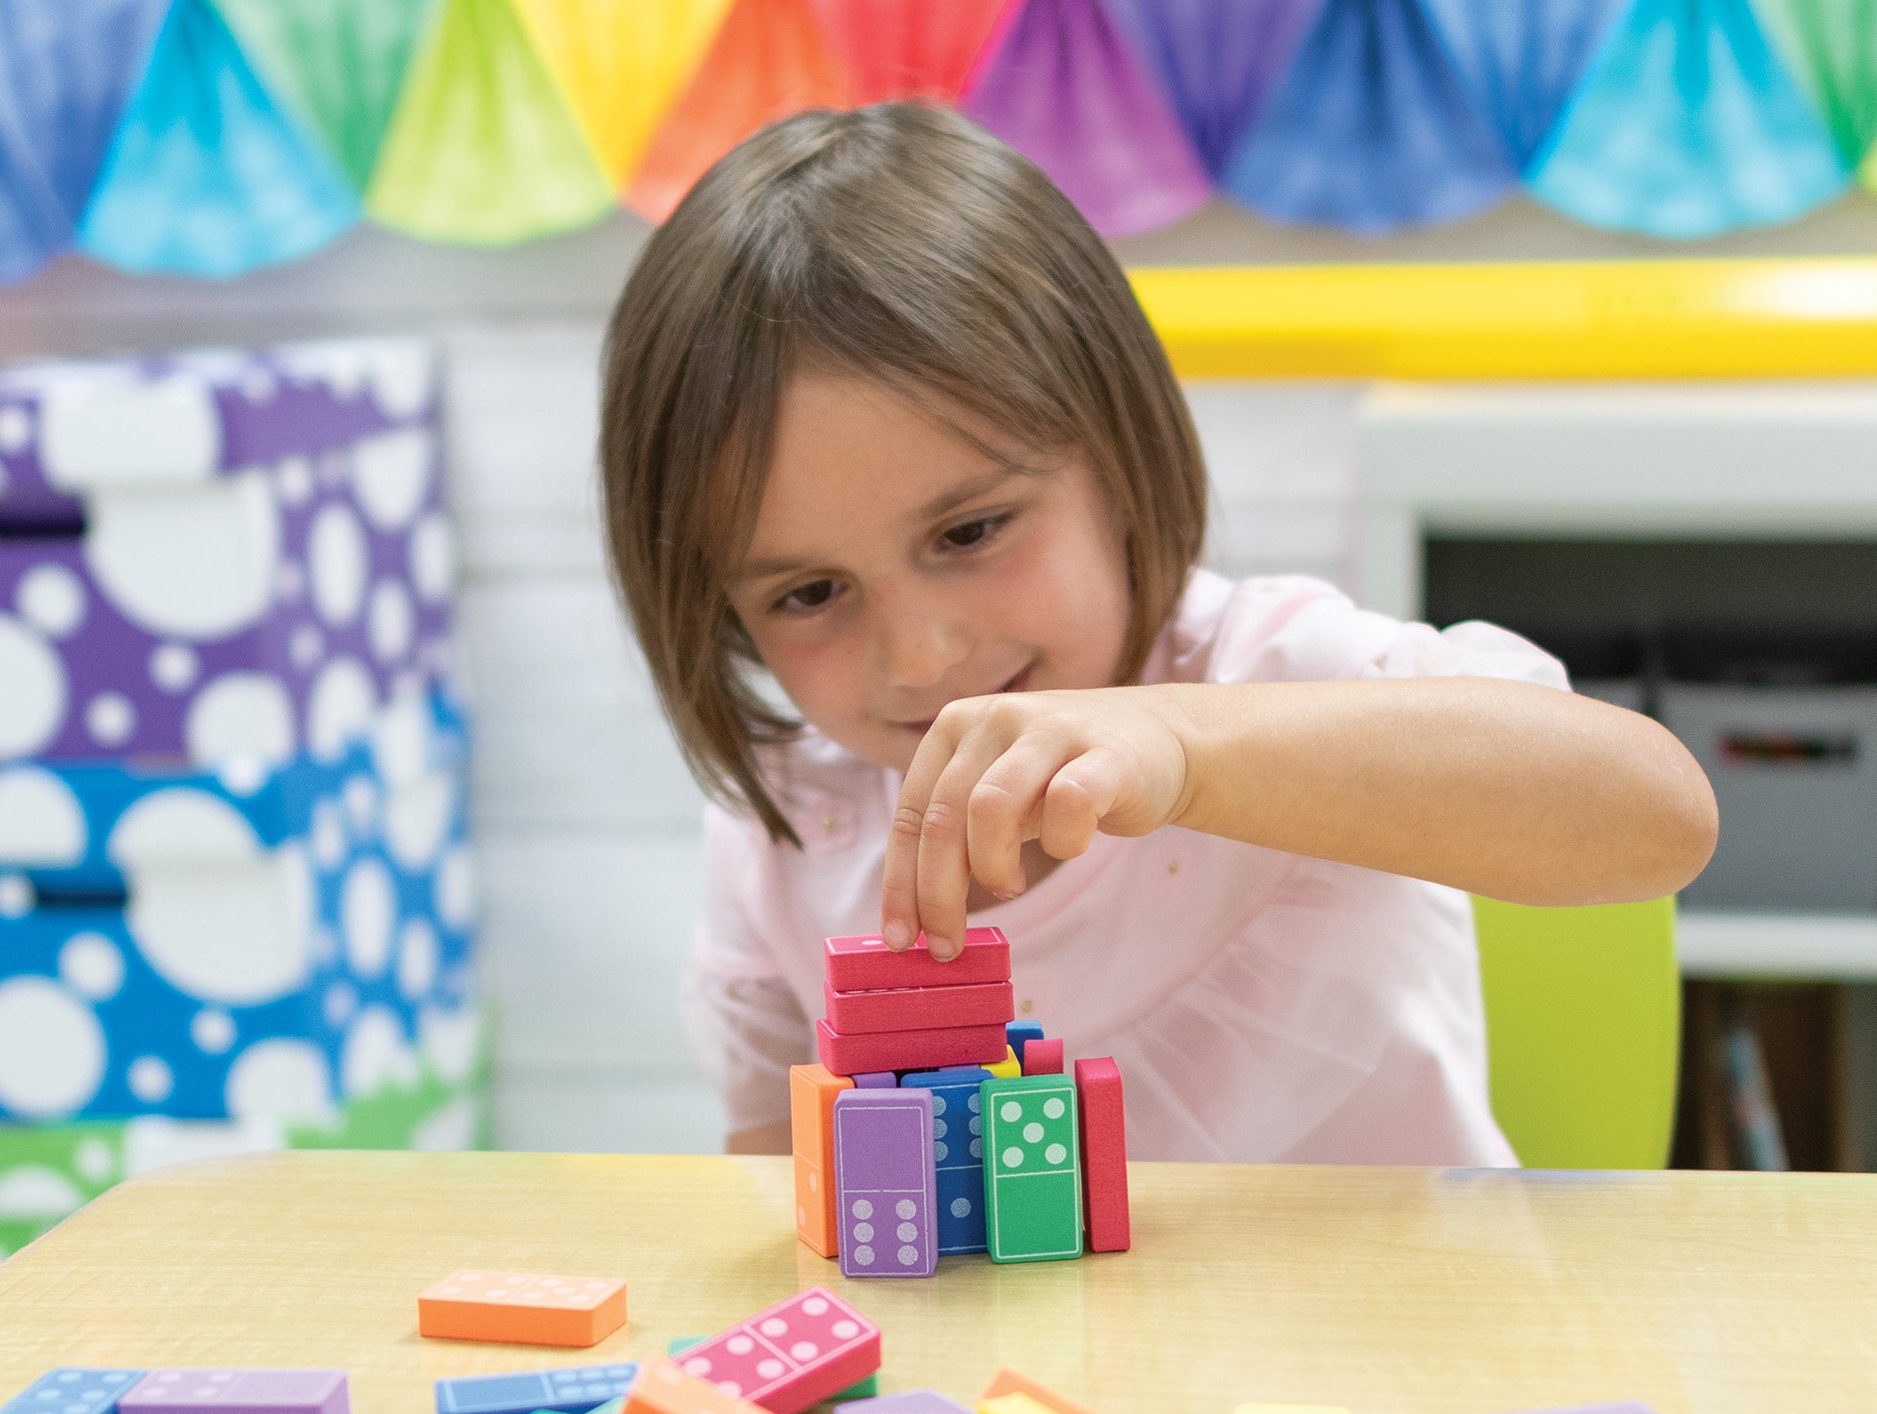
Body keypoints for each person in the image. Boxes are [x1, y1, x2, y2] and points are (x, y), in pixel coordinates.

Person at [599, 101, 1716, 1166]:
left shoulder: (1272, 674)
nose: (921, 659)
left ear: (1116, 451)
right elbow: (779, 1184)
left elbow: (1658, 815)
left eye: (970, 531)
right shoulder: (793, 825)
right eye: (809, 594)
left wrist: (1186, 748)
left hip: (1401, 1302)